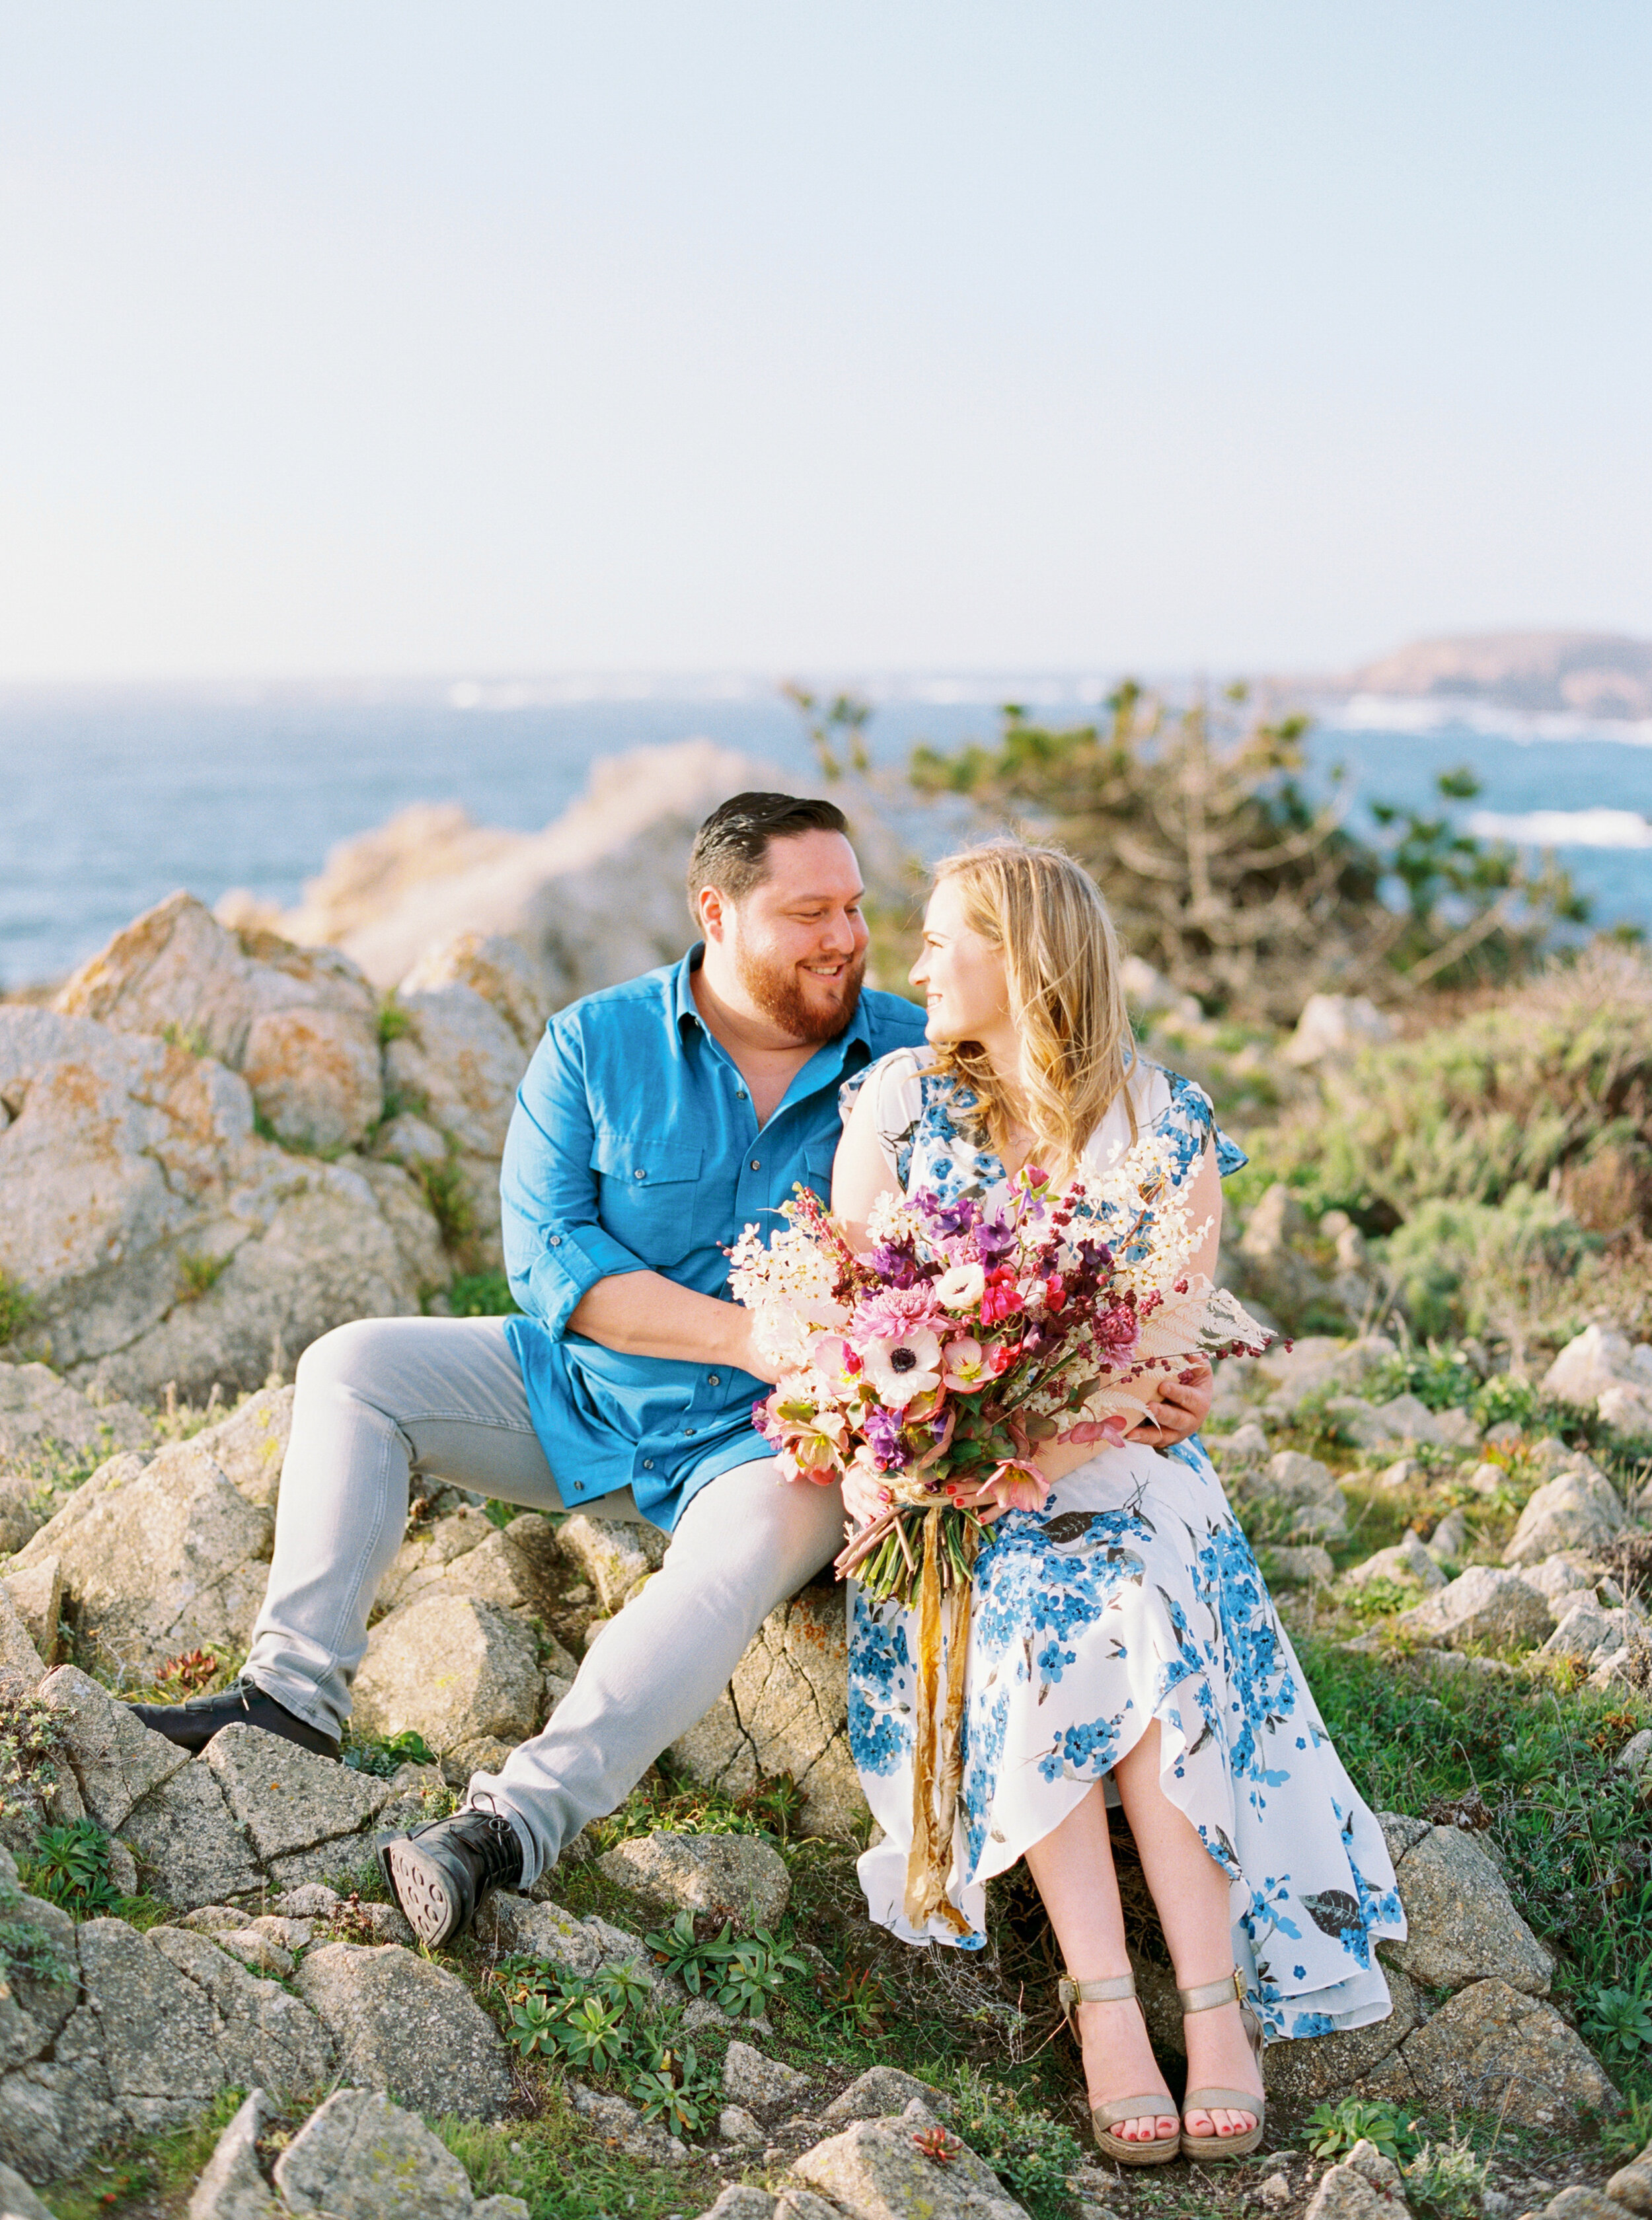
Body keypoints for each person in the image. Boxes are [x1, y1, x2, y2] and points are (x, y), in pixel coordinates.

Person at [132, 792, 1216, 1948]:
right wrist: (748, 1335)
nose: (846, 937)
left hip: (781, 1438)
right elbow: (549, 1261)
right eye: (808, 913)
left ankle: (512, 1826)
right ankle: (289, 1700)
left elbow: (1067, 1185)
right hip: (578, 1392)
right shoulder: (596, 1043)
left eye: (853, 907)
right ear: (717, 911)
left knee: (724, 1568)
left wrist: (1140, 1371)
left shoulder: (921, 1053)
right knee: (351, 1365)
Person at [831, 839, 1404, 2167]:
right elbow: (868, 1328)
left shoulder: (1164, 1120)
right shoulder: (898, 1106)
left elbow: (1155, 1351)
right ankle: (1106, 2005)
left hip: (1114, 1473)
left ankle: (1211, 2012)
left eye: (936, 939)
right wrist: (958, 1453)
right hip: (958, 1489)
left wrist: (1038, 1435)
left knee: (1134, 1583)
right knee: (1042, 1598)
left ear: (1017, 957)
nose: (910, 966)